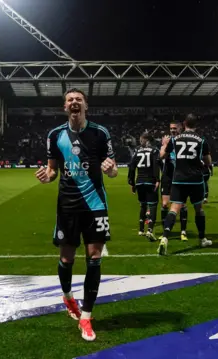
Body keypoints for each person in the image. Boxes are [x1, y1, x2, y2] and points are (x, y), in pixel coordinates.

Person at [35, 88, 117, 342]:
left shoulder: (100, 133)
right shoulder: (55, 135)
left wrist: (111, 169)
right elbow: (52, 171)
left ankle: (87, 316)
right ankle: (69, 297)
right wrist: (46, 177)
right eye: (70, 99)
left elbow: (112, 171)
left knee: (94, 257)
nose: (74, 102)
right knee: (67, 258)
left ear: (85, 106)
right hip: (67, 205)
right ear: (64, 107)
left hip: (95, 203)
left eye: (78, 99)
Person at [158, 114, 212, 255]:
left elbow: (162, 156)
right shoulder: (202, 140)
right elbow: (208, 162)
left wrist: (164, 145)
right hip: (195, 179)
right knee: (199, 209)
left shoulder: (175, 139)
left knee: (174, 208)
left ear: (184, 124)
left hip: (178, 178)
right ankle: (202, 238)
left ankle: (164, 238)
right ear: (196, 125)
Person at [128, 132, 160, 241]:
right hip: (150, 181)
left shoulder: (137, 151)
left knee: (143, 205)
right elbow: (156, 165)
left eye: (141, 140)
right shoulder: (155, 151)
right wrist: (157, 179)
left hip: (139, 181)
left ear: (146, 140)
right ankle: (150, 230)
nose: (140, 142)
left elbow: (132, 167)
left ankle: (141, 229)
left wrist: (131, 182)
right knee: (153, 206)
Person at [160, 121, 188, 241]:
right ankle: (165, 230)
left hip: (180, 174)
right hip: (168, 174)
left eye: (174, 128)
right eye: (171, 128)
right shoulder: (167, 140)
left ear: (180, 129)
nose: (172, 130)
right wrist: (164, 145)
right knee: (165, 204)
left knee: (181, 204)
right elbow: (161, 156)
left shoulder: (183, 140)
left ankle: (183, 231)